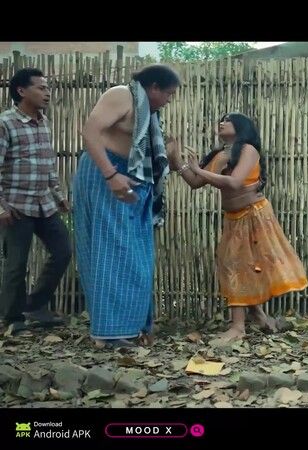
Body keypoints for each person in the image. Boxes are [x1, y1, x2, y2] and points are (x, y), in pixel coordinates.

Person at [170, 112, 308, 343]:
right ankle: (259, 316)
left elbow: (234, 182)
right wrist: (177, 160)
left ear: (242, 126)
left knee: (240, 265)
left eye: (228, 120)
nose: (221, 122)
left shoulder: (248, 150)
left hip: (254, 216)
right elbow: (195, 182)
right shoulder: (220, 155)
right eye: (221, 120)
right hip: (233, 218)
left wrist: (198, 169)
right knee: (237, 264)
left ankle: (238, 327)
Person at [73, 64, 179, 348]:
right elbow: (89, 133)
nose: (169, 100)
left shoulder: (149, 113)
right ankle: (108, 333)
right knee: (112, 252)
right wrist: (110, 175)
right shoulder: (121, 95)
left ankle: (130, 326)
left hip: (132, 179)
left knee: (136, 255)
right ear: (153, 87)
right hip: (104, 174)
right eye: (168, 93)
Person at [0, 68, 71, 334]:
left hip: (44, 203)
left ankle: (35, 306)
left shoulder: (43, 121)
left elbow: (47, 163)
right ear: (21, 91)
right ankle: (13, 318)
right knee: (16, 264)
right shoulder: (5, 123)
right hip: (15, 206)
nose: (47, 93)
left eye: (47, 87)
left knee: (63, 251)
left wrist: (58, 195)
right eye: (41, 88)